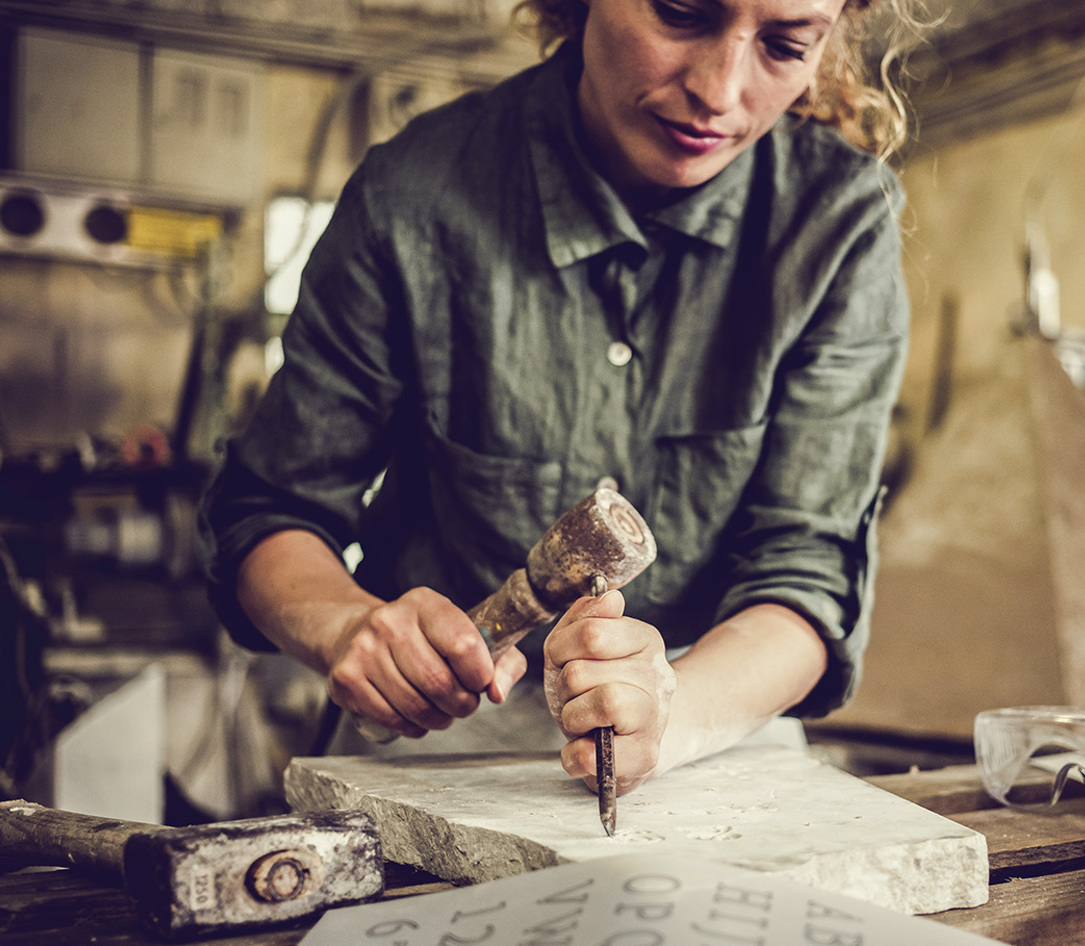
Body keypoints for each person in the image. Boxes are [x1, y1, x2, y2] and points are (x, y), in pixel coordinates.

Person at [199, 0, 913, 798]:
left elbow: (806, 573)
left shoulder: (840, 221)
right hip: (440, 757)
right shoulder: (414, 194)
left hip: (715, 737)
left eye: (784, 45)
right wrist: (345, 626)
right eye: (680, 13)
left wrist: (669, 712)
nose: (719, 90)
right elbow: (268, 508)